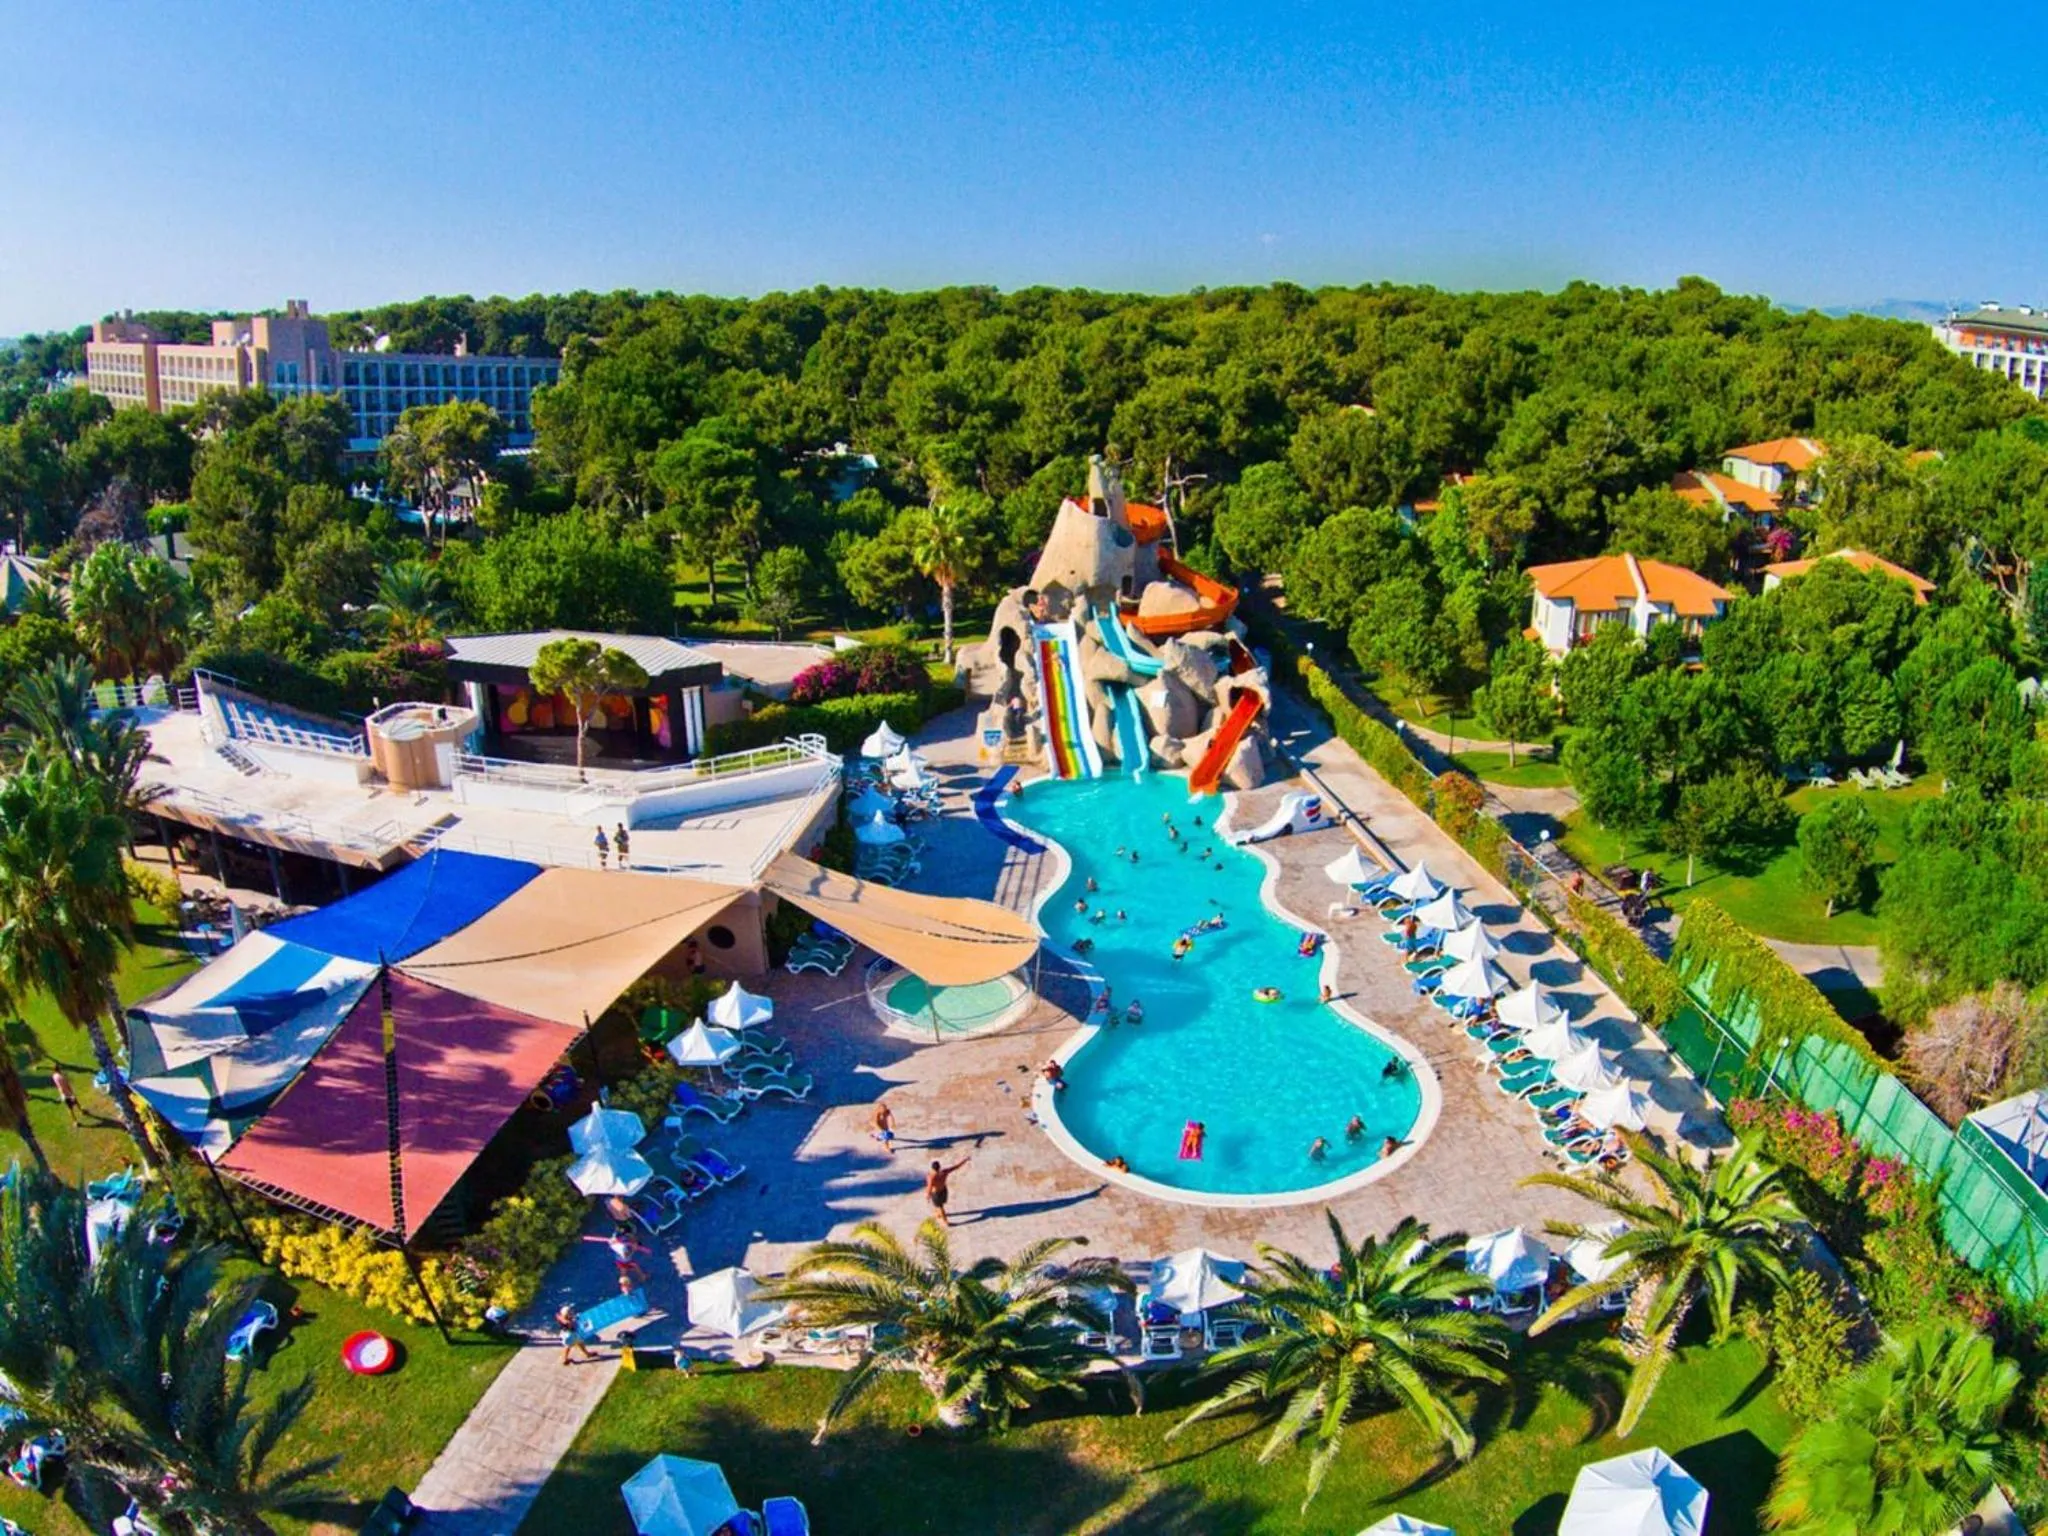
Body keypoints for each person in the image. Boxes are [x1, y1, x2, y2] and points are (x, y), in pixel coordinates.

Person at [926, 1157, 969, 1225]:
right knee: (940, 1205)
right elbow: (956, 1167)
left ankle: (946, 1222)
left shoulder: (931, 1177)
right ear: (939, 1167)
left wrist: (928, 1195)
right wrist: (964, 1160)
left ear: (932, 1168)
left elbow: (929, 1187)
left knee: (940, 1207)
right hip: (944, 1191)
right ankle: (938, 1214)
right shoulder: (944, 1172)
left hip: (936, 1193)